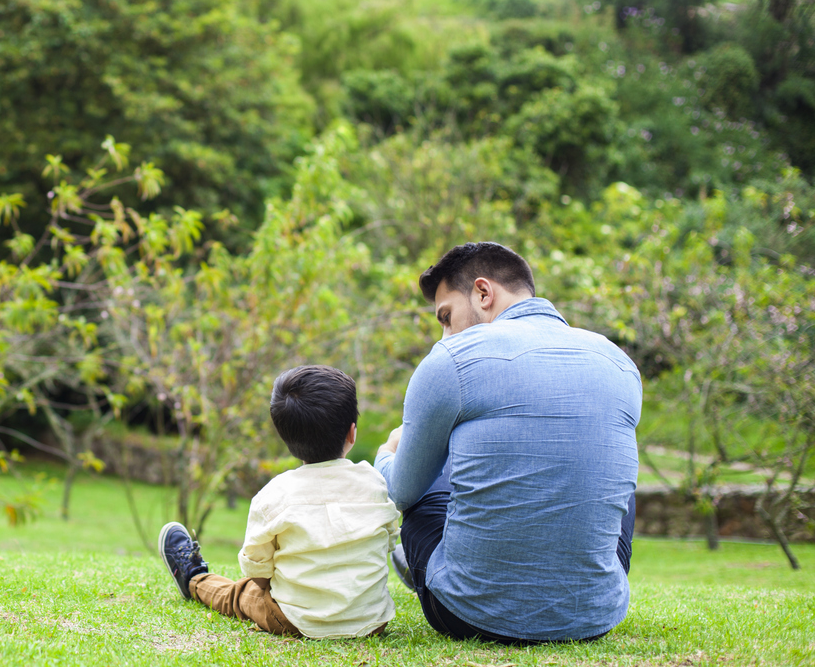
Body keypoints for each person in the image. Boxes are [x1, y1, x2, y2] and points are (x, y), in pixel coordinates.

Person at [375, 241, 641, 644]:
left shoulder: (450, 359)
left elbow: (400, 490)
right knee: (616, 483)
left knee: (421, 477)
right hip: (593, 617)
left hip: (466, 616)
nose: (443, 336)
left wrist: (387, 453)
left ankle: (433, 571)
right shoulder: (620, 362)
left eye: (447, 317)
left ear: (483, 293)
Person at [159, 365, 399, 639]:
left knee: (241, 594)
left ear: (286, 437)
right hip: (372, 622)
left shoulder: (274, 496)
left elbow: (259, 575)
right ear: (352, 433)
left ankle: (193, 579)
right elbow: (387, 544)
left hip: (294, 620)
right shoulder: (375, 482)